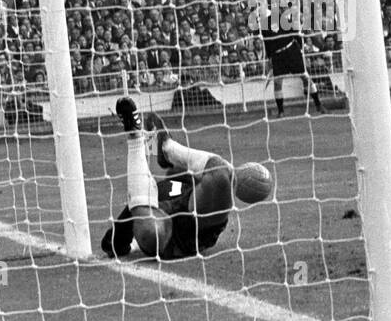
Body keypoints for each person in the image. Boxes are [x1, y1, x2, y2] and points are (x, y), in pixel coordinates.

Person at [101, 98, 271, 260]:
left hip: (192, 225)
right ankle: (152, 142)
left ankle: (153, 144)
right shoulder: (163, 188)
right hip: (171, 219)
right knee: (150, 231)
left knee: (220, 174)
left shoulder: (178, 183)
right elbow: (115, 241)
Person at [261, 25, 323, 118]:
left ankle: (318, 105)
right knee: (277, 82)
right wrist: (269, 57)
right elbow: (266, 42)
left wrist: (300, 50)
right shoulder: (264, 25)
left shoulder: (283, 20)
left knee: (305, 78)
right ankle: (281, 111)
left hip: (292, 52)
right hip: (277, 56)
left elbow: (296, 33)